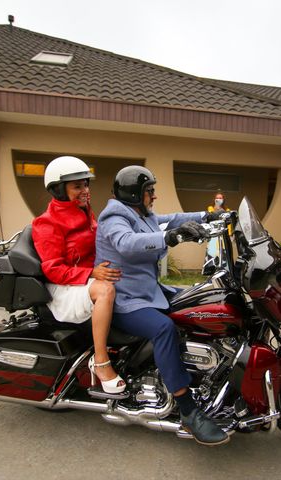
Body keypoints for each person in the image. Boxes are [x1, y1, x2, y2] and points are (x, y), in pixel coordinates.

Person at [95, 165, 229, 446]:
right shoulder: (114, 216)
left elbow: (174, 218)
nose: (154, 196)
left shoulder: (141, 214)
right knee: (164, 328)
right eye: (149, 191)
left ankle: (200, 371)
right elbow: (127, 243)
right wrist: (169, 237)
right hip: (125, 300)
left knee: (199, 302)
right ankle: (188, 410)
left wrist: (208, 216)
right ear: (134, 193)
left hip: (148, 292)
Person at [32, 156, 125, 394]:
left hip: (86, 278)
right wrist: (91, 273)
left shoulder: (84, 212)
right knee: (106, 290)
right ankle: (101, 362)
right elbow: (52, 269)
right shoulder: (47, 223)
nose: (85, 190)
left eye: (86, 184)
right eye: (77, 186)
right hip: (64, 287)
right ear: (59, 190)